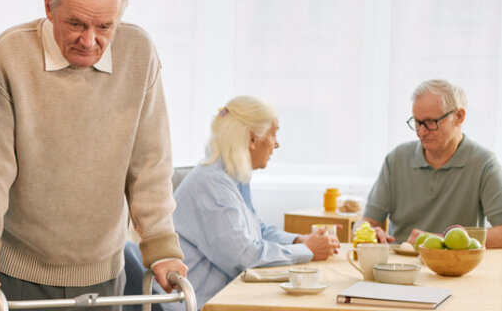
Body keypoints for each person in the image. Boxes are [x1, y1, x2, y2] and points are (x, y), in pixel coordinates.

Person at [0, 0, 189, 311]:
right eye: (76, 23)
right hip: (18, 271)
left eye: (105, 27)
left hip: (104, 271)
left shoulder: (138, 53)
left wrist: (161, 246)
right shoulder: (11, 54)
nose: (90, 40)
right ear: (50, 8)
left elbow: (150, 163)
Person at [167, 96, 340, 310]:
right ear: (251, 138)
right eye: (273, 134)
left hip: (223, 295)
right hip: (199, 302)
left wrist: (297, 240)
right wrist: (306, 249)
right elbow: (244, 256)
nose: (277, 143)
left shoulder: (232, 176)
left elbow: (258, 229)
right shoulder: (212, 184)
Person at [363, 79, 502, 247]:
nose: (421, 132)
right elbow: (367, 222)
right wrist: (369, 231)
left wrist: (441, 239)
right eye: (417, 122)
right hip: (401, 266)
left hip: (454, 268)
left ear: (459, 117)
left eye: (430, 122)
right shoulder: (397, 159)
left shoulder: (484, 163)